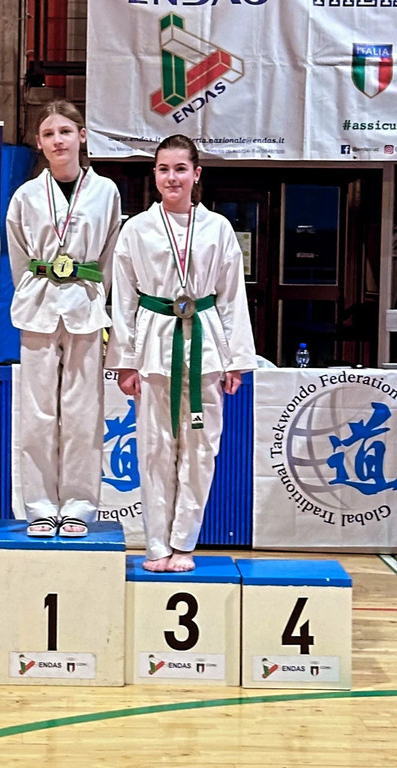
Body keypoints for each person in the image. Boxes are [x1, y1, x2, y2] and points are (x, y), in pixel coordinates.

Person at [106, 134, 256, 572]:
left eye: (180, 169)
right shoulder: (136, 229)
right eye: (163, 169)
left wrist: (235, 359)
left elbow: (232, 297)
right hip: (154, 344)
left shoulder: (218, 228)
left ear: (196, 174)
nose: (172, 178)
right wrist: (125, 361)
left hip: (205, 345)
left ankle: (184, 543)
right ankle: (156, 545)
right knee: (154, 449)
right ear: (154, 174)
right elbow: (124, 300)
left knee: (201, 449)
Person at [6, 100, 121, 537]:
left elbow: (110, 254)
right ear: (39, 143)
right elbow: (19, 256)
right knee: (37, 413)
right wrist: (36, 287)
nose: (58, 140)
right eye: (49, 134)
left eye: (66, 132)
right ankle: (39, 506)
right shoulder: (26, 195)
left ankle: (79, 506)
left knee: (83, 412)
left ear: (82, 136)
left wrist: (96, 295)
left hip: (85, 305)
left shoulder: (105, 192)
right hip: (38, 305)